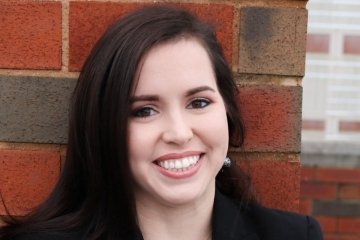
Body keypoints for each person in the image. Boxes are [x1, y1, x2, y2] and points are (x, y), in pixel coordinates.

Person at [0, 6, 323, 240]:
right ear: (104, 128)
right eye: (144, 111)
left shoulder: (294, 235)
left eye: (199, 103)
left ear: (227, 112)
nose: (180, 134)